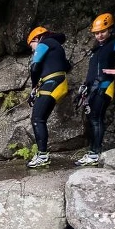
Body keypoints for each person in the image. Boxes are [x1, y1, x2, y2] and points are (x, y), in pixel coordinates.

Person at [74, 13, 115, 166]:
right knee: (92, 119)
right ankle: (92, 152)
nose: (99, 35)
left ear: (110, 29)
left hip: (104, 87)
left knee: (96, 118)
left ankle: (95, 153)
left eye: (103, 31)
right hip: (93, 89)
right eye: (96, 33)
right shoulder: (97, 49)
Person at [26, 26, 71, 168]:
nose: (32, 49)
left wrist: (33, 87)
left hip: (52, 83)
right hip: (57, 83)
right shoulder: (56, 46)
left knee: (37, 119)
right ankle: (42, 154)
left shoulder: (44, 43)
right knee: (40, 118)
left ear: (37, 38)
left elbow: (35, 66)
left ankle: (43, 155)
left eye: (32, 45)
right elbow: (67, 66)